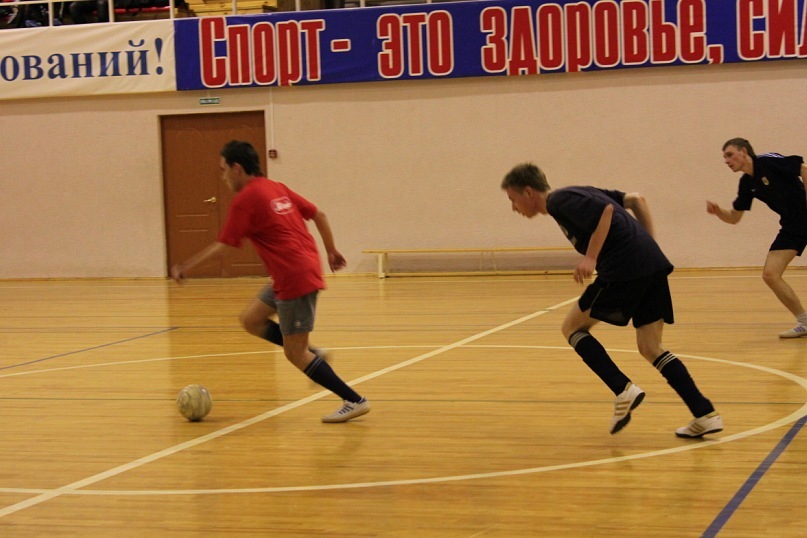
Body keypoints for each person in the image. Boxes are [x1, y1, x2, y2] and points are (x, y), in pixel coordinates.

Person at [501, 163, 722, 438]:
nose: (513, 208)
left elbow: (605, 212)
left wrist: (591, 258)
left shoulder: (559, 200)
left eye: (512, 199)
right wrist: (648, 244)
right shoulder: (580, 193)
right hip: (651, 265)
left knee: (571, 328)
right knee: (651, 347)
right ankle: (704, 413)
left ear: (529, 192)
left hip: (623, 268)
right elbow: (637, 200)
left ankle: (622, 389)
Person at [171, 140, 370, 423]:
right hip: (295, 270)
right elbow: (319, 214)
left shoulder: (246, 199)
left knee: (295, 354)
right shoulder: (276, 187)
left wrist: (185, 267)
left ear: (237, 169)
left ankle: (354, 400)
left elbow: (224, 245)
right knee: (251, 319)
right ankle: (314, 353)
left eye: (223, 170)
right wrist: (331, 250)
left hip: (293, 276)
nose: (223, 177)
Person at [707, 138, 807, 338]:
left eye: (730, 155)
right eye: (724, 157)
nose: (726, 161)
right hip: (793, 226)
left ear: (744, 152)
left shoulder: (768, 161)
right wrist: (719, 212)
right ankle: (804, 322)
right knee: (770, 274)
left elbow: (804, 168)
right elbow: (734, 218)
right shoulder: (747, 183)